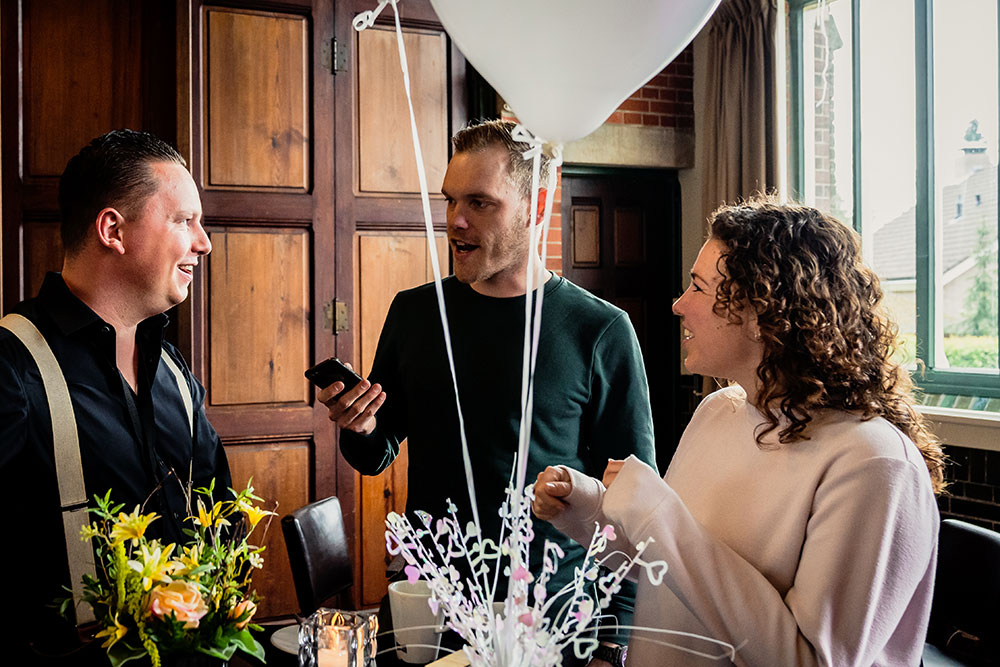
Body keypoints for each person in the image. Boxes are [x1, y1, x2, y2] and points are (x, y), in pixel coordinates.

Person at [533, 198, 945, 666]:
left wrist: (657, 515)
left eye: (699, 287)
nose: (678, 305)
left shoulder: (872, 464)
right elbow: (667, 568)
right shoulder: (718, 410)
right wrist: (587, 507)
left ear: (762, 313)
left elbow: (806, 660)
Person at [321, 119, 656, 666]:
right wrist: (360, 426)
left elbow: (637, 505)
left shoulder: (599, 330)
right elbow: (376, 454)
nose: (455, 222)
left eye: (480, 202)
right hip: (432, 608)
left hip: (555, 619)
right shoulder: (415, 313)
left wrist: (612, 640)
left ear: (538, 202)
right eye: (451, 200)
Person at [0, 130, 232, 664]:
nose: (204, 242)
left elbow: (218, 508)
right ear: (113, 230)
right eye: (183, 220)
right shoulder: (9, 366)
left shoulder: (173, 369)